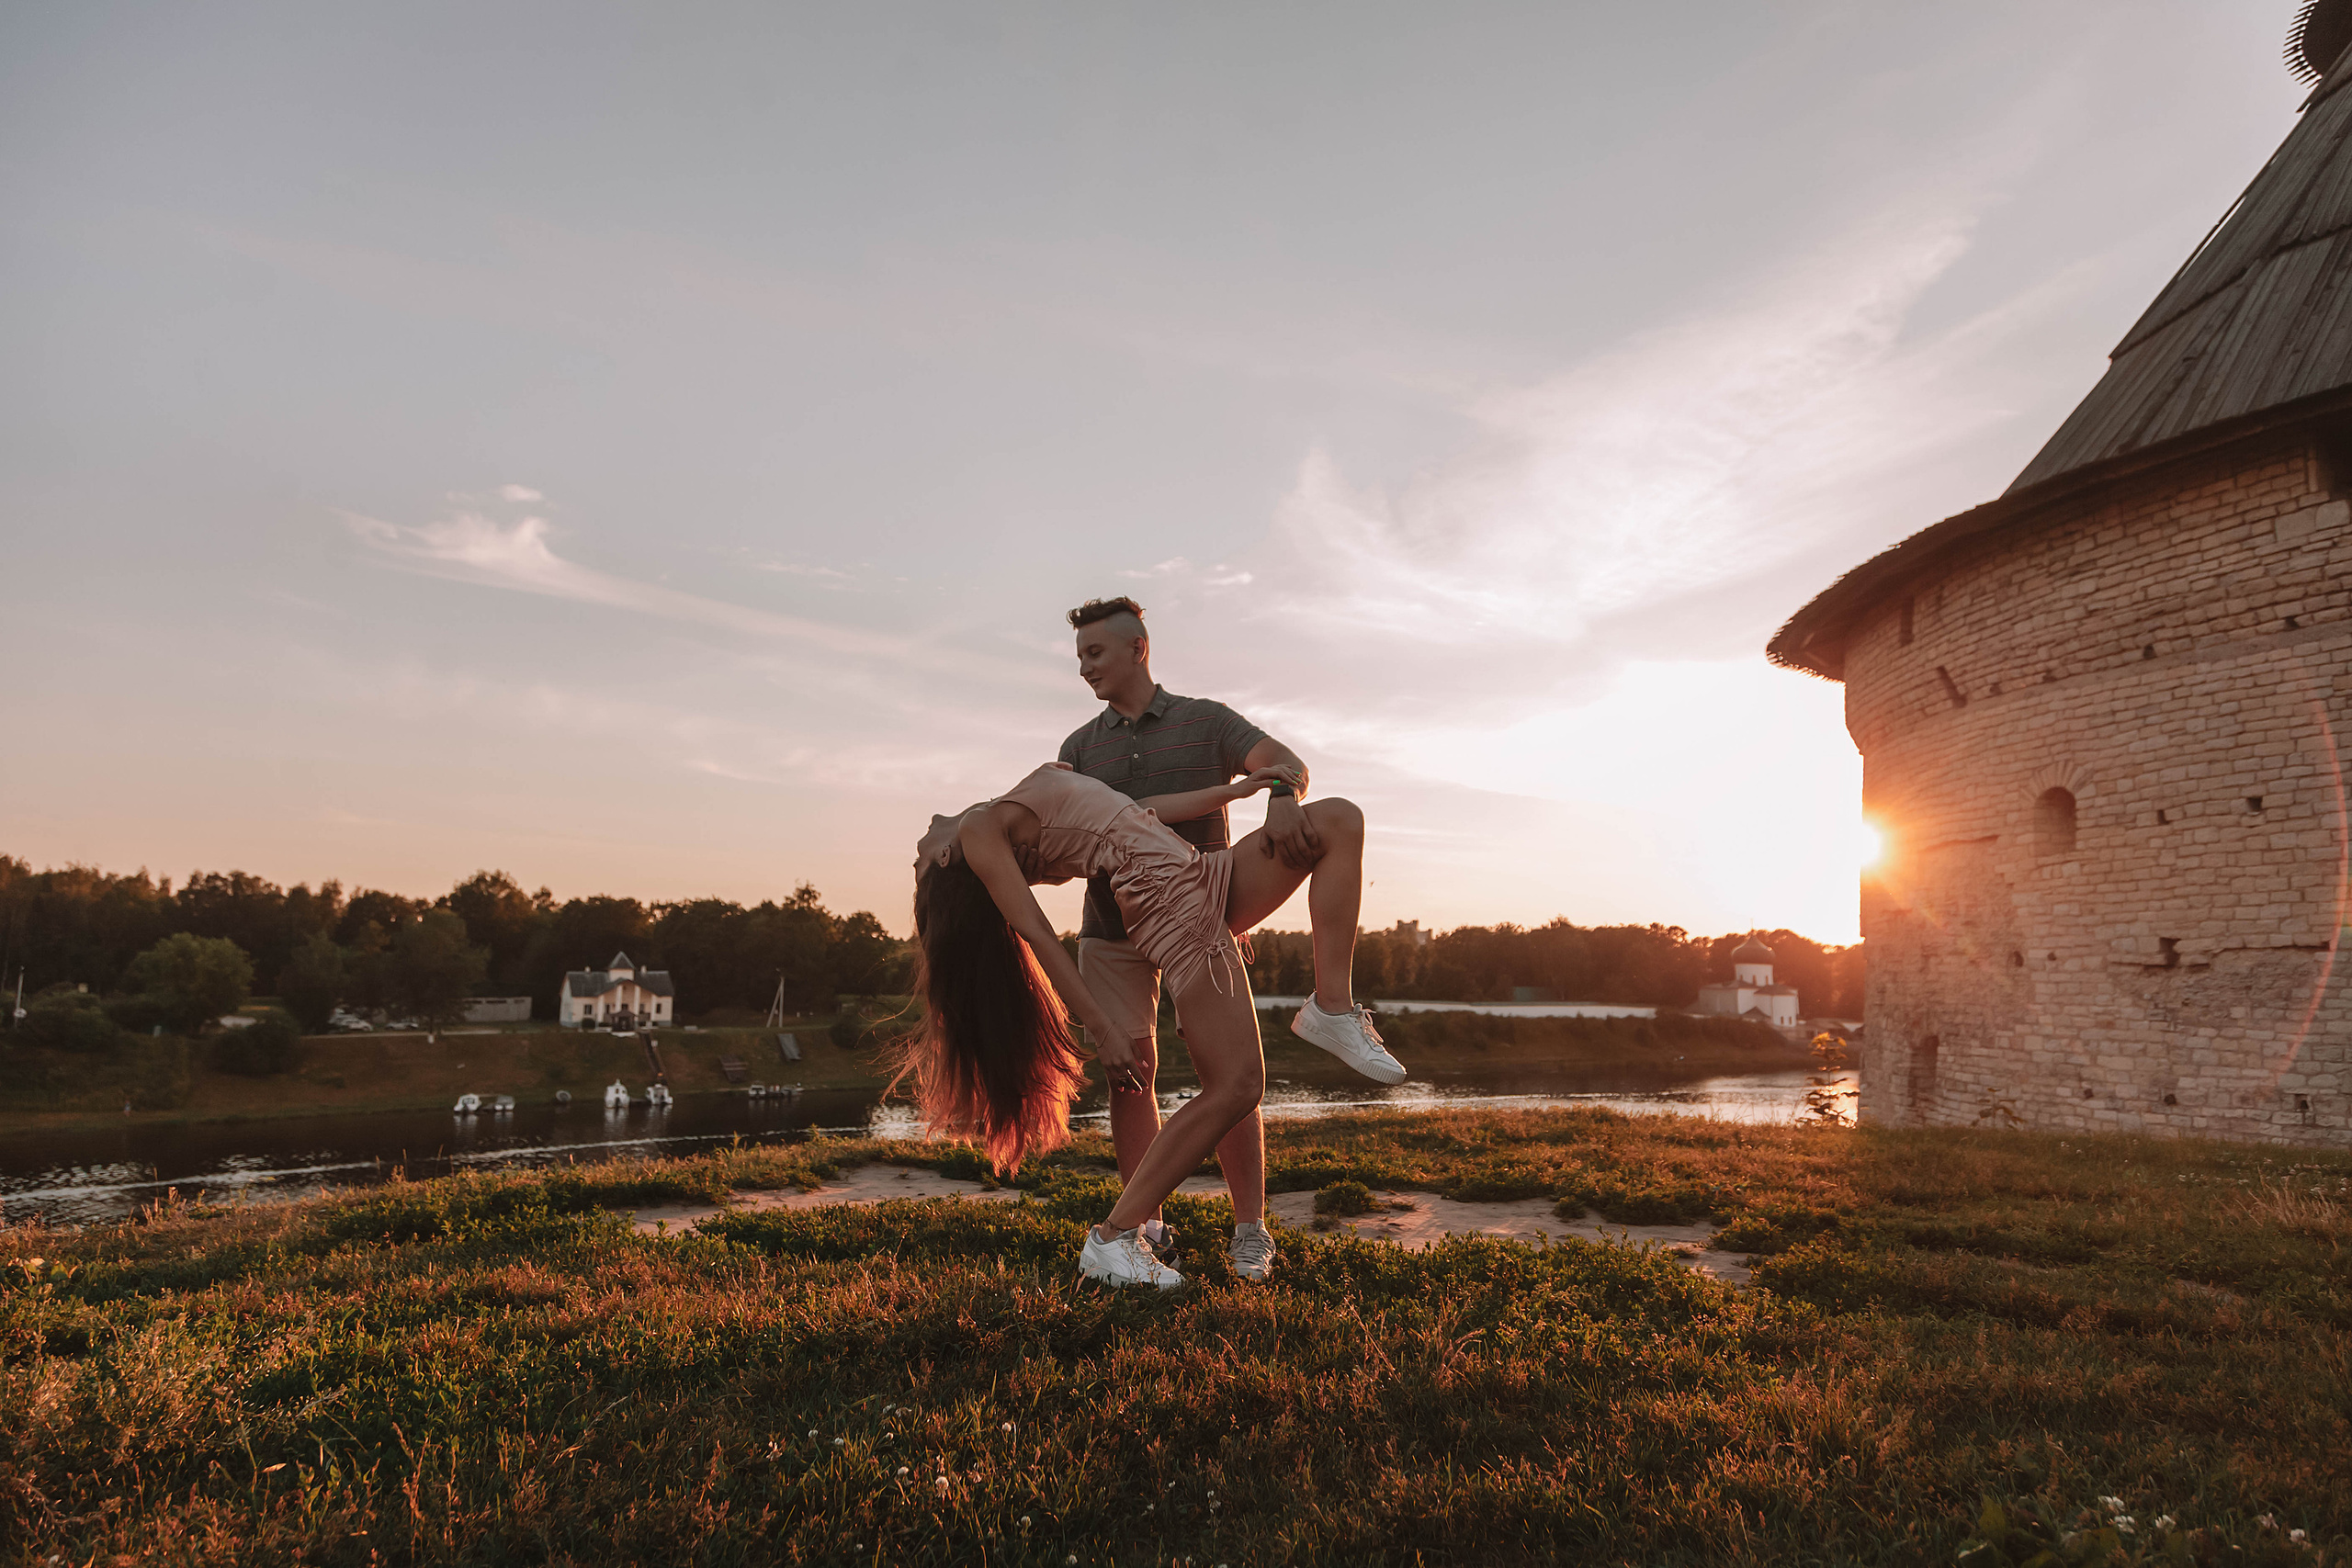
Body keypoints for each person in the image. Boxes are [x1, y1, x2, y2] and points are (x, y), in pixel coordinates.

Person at [897, 760, 1384, 1289]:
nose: (917, 849)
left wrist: (1236, 790)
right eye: (919, 865)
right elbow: (1035, 930)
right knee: (1238, 1085)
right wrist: (1103, 1028)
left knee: (1338, 821)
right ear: (947, 858)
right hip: (1168, 895)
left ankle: (1331, 1007)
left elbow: (1141, 814)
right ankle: (1115, 1238)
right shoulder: (976, 831)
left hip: (1196, 871)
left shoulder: (1014, 811)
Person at [1057, 595, 1404, 1283]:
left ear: (1137, 648)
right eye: (1079, 657)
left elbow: (1285, 761)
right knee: (1131, 1077)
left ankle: (1251, 1232)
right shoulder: (1079, 748)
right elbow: (1066, 838)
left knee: (1233, 1079)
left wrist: (1280, 792)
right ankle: (1147, 1228)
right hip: (1111, 929)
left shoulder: (1203, 720)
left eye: (1095, 653)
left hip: (1204, 916)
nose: (1085, 668)